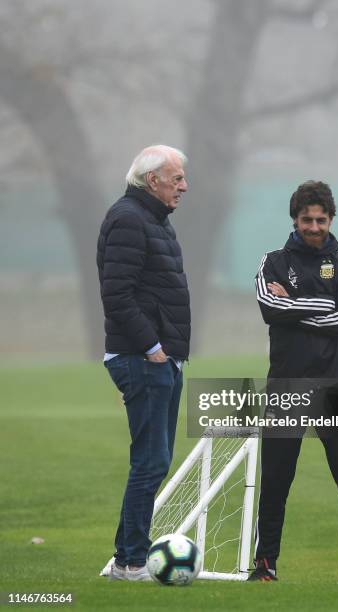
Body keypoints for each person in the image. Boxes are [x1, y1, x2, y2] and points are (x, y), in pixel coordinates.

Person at [248, 180, 338, 582]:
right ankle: (266, 565)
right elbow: (270, 308)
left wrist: (294, 305)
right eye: (307, 219)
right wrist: (318, 306)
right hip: (286, 386)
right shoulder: (271, 262)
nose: (315, 227)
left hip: (336, 387)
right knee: (275, 482)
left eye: (321, 219)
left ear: (331, 219)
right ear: (295, 219)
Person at [96, 145, 190, 581]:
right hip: (143, 358)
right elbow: (117, 294)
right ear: (152, 180)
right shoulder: (130, 219)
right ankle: (130, 561)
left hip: (160, 360)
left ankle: (128, 557)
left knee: (154, 460)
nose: (184, 186)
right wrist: (153, 348)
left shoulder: (153, 220)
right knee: (150, 461)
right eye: (176, 179)